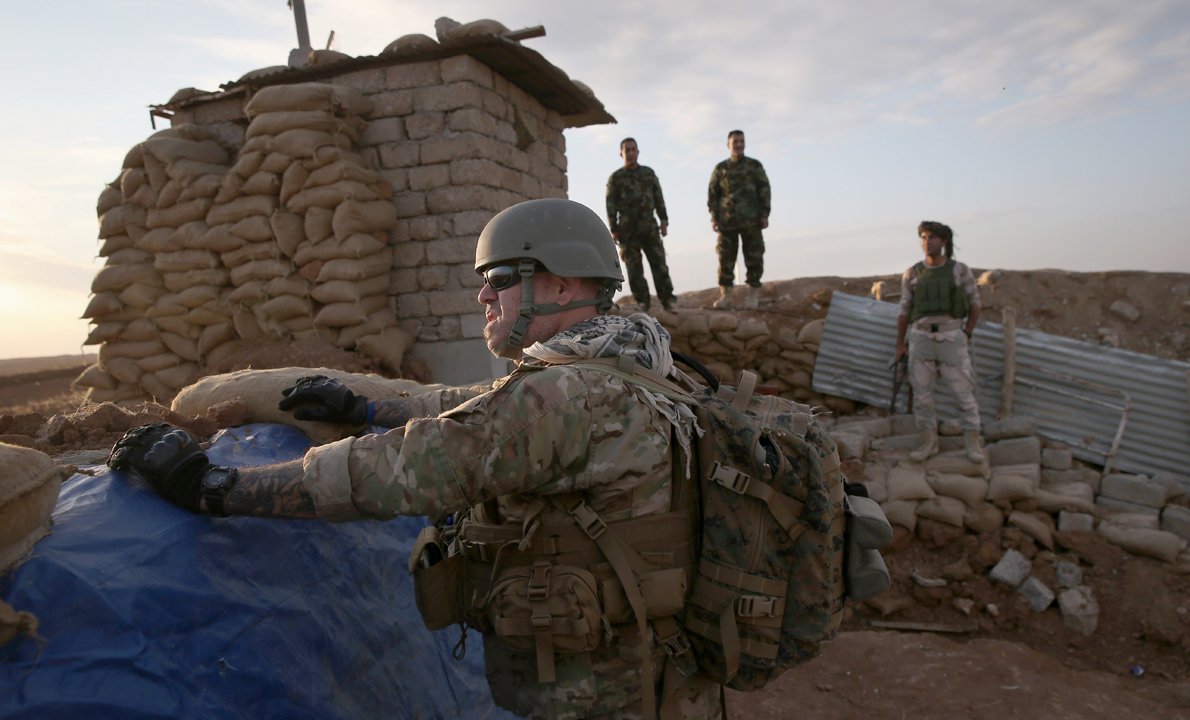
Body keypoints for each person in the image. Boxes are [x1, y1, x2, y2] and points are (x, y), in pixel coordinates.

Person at [106, 198, 720, 720]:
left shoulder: (568, 395)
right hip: (653, 664)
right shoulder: (630, 363)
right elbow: (477, 405)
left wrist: (210, 485)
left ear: (563, 284)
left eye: (502, 276)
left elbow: (403, 470)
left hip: (602, 688)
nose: (483, 293)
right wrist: (366, 408)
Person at [892, 221, 985, 463]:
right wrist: (901, 344)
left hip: (951, 337)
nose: (926, 241)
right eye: (923, 237)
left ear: (944, 241)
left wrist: (966, 332)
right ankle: (928, 444)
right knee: (922, 398)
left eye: (932, 237)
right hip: (921, 337)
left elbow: (975, 303)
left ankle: (973, 445)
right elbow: (904, 309)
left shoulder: (960, 270)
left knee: (963, 395)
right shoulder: (912, 273)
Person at [606, 137, 676, 311]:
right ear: (621, 154)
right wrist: (614, 229)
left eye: (633, 149)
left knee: (659, 264)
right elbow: (610, 205)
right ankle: (643, 301)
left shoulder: (648, 174)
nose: (630, 153)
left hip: (649, 227)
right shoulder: (616, 178)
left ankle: (668, 300)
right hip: (627, 229)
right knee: (634, 268)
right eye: (626, 150)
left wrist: (664, 220)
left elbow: (659, 198)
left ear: (638, 152)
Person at [707, 130, 770, 310]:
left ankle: (753, 293)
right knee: (725, 258)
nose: (739, 144)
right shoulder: (722, 168)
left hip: (752, 220)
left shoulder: (754, 166)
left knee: (754, 257)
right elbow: (713, 194)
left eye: (741, 141)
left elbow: (764, 191)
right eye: (735, 141)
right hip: (728, 222)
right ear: (729, 145)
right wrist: (714, 218)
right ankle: (726, 294)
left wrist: (765, 214)